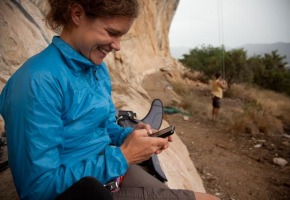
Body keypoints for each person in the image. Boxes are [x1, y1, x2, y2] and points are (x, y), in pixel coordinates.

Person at [0, 0, 219, 200]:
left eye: (121, 36)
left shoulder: (96, 68)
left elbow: (103, 127)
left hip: (114, 174)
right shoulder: (37, 83)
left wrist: (132, 136)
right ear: (77, 14)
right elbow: (38, 189)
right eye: (111, 32)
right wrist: (123, 156)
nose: (117, 46)